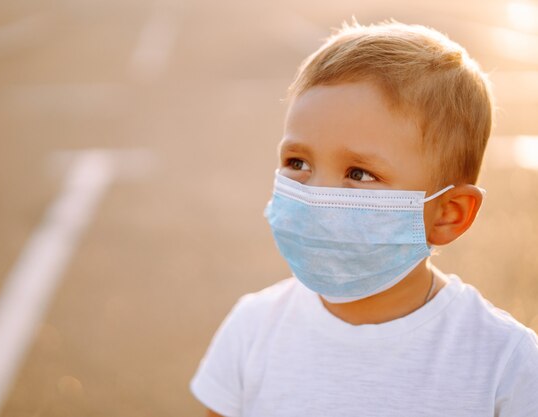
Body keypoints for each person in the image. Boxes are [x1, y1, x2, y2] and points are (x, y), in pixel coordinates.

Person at [189, 21, 538, 417]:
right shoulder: (251, 330)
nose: (318, 195)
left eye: (358, 173)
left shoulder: (504, 364)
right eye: (298, 162)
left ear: (447, 214)